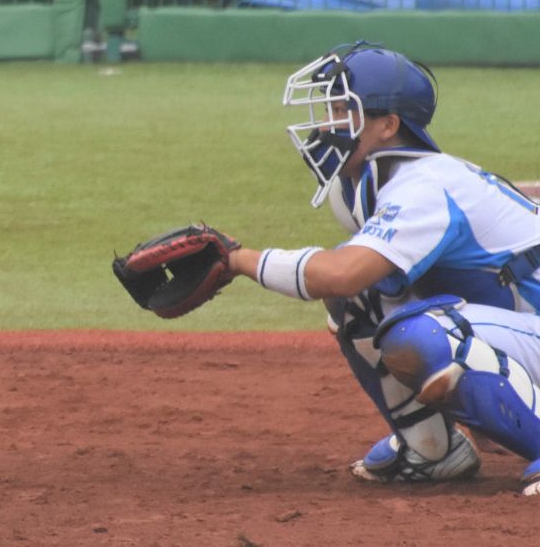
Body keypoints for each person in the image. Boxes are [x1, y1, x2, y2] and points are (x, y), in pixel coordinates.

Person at [223, 41, 540, 495]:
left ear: (388, 125)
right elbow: (351, 285)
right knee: (360, 298)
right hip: (521, 325)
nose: (327, 124)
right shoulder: (363, 185)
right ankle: (431, 449)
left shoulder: (424, 187)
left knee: (427, 335)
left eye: (342, 110)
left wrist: (239, 260)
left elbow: (339, 271)